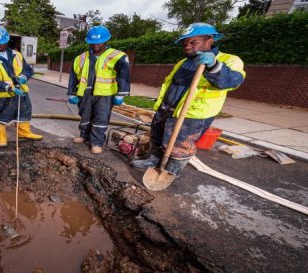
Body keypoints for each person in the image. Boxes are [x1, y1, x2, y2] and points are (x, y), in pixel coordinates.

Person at [130, 23, 246, 183]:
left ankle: (171, 171)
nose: (188, 46)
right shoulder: (183, 62)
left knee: (179, 145)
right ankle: (154, 160)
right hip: (168, 108)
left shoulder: (229, 60)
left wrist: (213, 66)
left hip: (192, 114)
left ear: (209, 40)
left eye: (193, 42)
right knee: (158, 136)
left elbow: (232, 81)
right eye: (185, 43)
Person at [0, 24, 42, 147]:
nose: (0, 45)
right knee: (0, 114)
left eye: (2, 42)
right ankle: (1, 136)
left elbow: (27, 69)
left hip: (20, 91)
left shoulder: (17, 54)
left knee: (24, 111)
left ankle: (23, 132)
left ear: (7, 40)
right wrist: (9, 88)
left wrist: (23, 77)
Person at [67, 25, 130, 154]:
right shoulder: (81, 58)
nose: (96, 45)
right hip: (85, 94)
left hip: (105, 95)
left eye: (100, 42)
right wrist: (72, 93)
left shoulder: (117, 56)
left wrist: (120, 94)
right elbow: (73, 76)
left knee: (100, 118)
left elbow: (124, 76)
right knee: (85, 116)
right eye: (93, 42)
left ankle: (96, 142)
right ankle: (84, 135)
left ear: (106, 41)